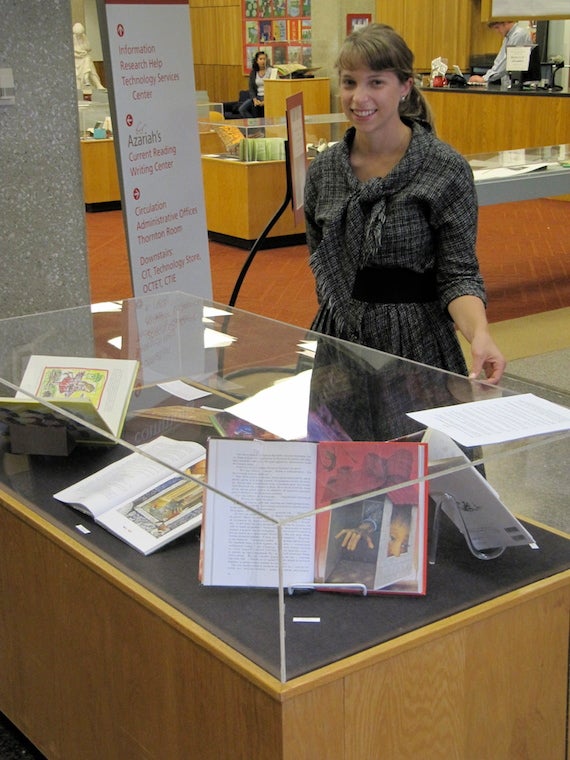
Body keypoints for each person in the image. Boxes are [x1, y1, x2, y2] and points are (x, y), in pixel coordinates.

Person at [304, 23, 506, 384]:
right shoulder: (324, 170)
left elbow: (458, 274)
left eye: (376, 82)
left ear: (405, 87)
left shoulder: (443, 167)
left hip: (416, 347)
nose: (358, 97)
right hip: (338, 347)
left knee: (419, 440)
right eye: (349, 82)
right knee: (338, 441)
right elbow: (323, 265)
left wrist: (479, 334)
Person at [468, 21, 532, 86]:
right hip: (511, 83)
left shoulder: (519, 35)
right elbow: (499, 60)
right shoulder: (508, 37)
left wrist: (485, 79)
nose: (497, 31)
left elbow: (506, 62)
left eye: (497, 27)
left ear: (506, 23)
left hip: (523, 84)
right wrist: (485, 77)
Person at [239, 51, 274, 118]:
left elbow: (274, 87)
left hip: (267, 97)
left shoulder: (271, 70)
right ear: (257, 61)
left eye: (264, 59)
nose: (263, 61)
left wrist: (266, 101)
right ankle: (253, 124)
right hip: (257, 97)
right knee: (242, 109)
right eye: (260, 59)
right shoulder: (253, 72)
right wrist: (255, 100)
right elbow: (251, 88)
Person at [73, 22, 105, 92]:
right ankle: (85, 77)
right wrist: (78, 53)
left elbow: (89, 48)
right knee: (85, 62)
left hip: (84, 56)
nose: (79, 36)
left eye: (80, 34)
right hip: (76, 59)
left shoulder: (84, 37)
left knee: (88, 60)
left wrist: (83, 50)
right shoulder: (72, 39)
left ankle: (95, 83)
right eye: (78, 35)